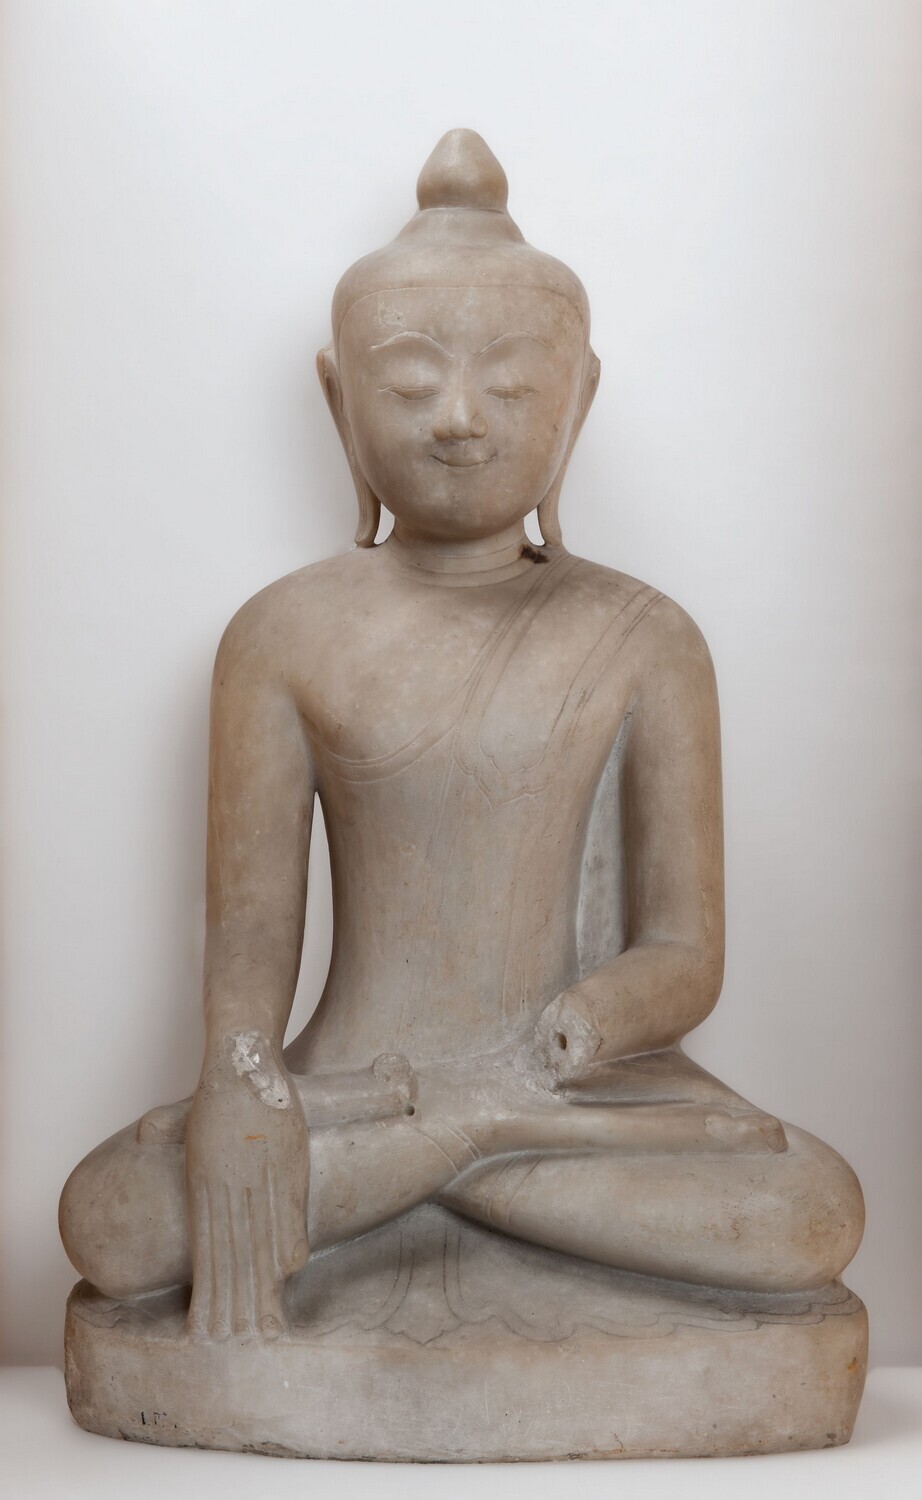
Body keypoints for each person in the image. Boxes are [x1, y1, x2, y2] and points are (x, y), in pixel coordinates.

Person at [60, 130, 864, 1344]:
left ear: (578, 402)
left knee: (810, 1213)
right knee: (116, 1221)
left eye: (512, 387)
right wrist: (241, 1088)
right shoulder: (280, 636)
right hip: (347, 1092)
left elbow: (685, 951)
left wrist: (593, 1021)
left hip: (561, 1095)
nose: (456, 421)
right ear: (338, 402)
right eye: (406, 385)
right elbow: (248, 952)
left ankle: (443, 1158)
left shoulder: (646, 638)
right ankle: (449, 1154)